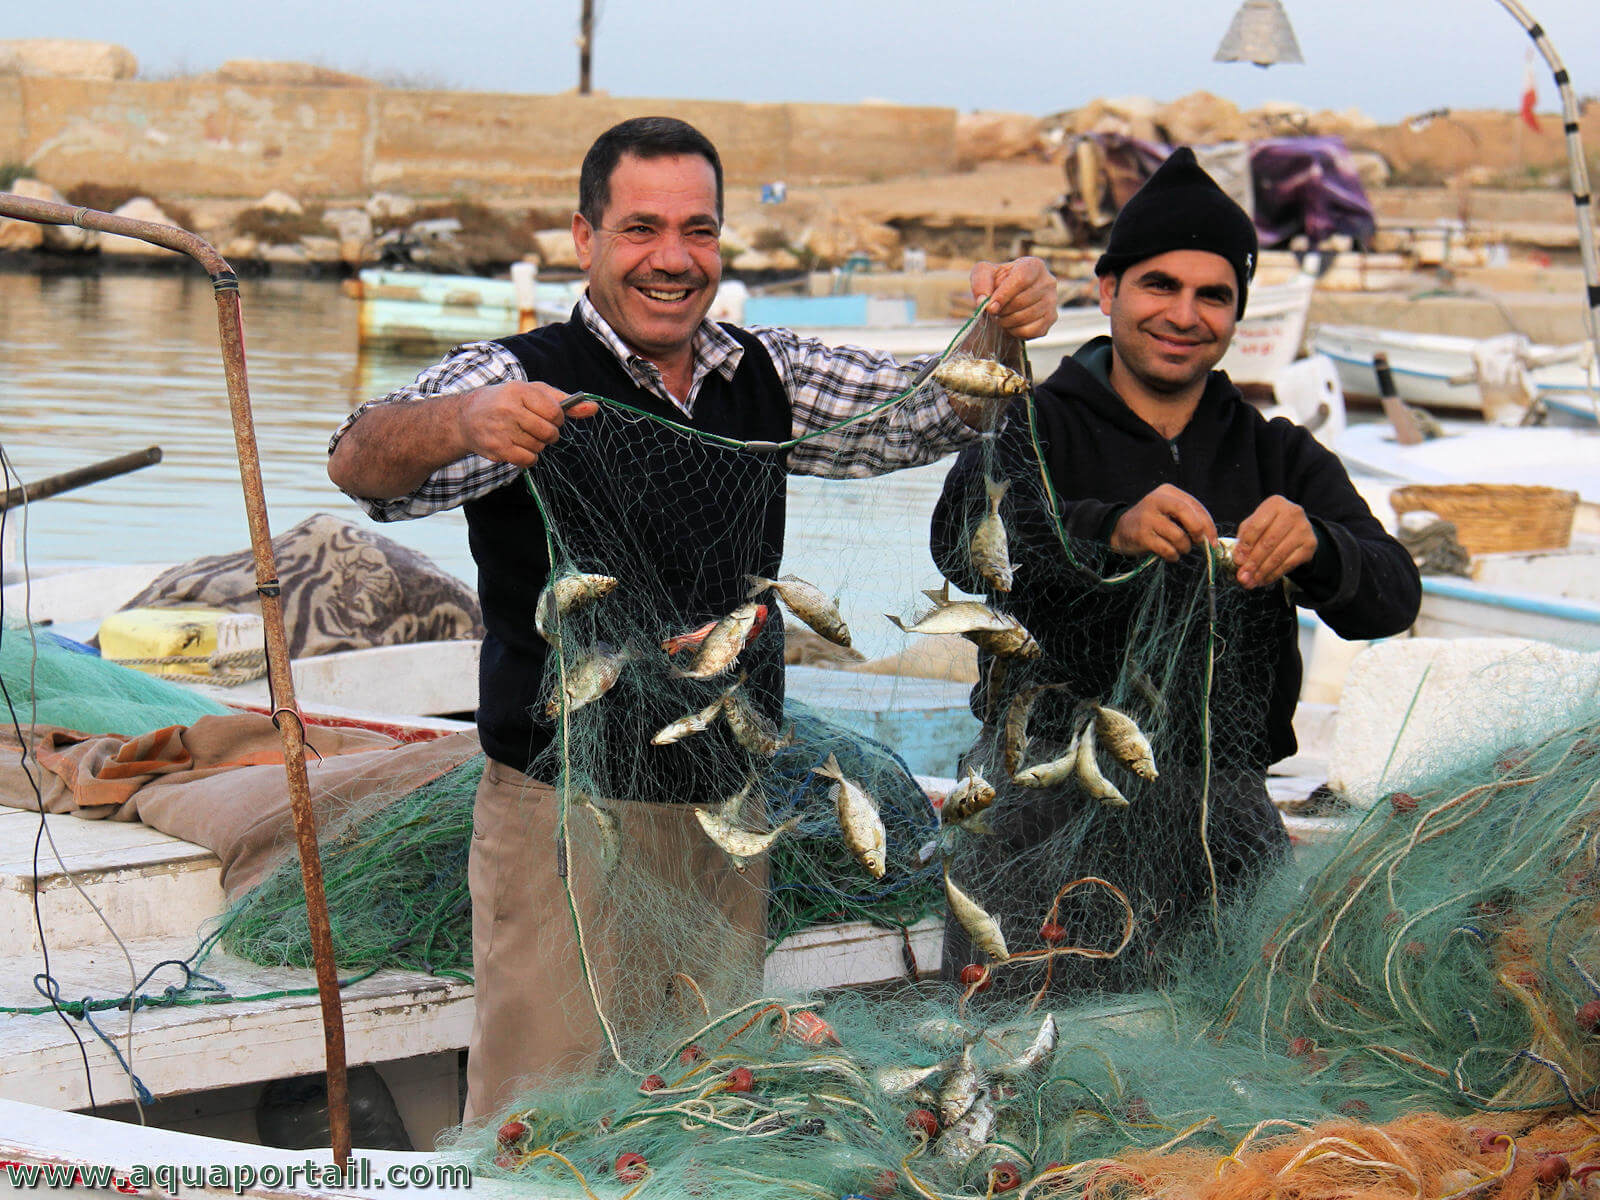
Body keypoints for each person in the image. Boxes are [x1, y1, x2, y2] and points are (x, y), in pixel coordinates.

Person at [327, 115, 1059, 1120]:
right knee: (543, 1116)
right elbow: (360, 460)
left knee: (704, 1114)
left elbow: (943, 409)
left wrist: (1005, 324)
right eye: (639, 229)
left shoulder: (769, 373)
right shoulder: (511, 375)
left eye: (698, 231)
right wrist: (459, 423)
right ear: (582, 239)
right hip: (562, 811)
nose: (672, 259)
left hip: (727, 809)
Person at [930, 147, 1421, 998]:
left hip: (1219, 814)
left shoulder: (1276, 452)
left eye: (1213, 295)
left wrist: (1319, 547)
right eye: (1160, 285)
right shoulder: (1035, 422)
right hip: (1039, 803)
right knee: (1011, 1059)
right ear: (1110, 289)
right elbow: (961, 533)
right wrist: (1109, 529)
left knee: (1228, 1070)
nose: (1185, 314)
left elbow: (1392, 595)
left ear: (1236, 313)